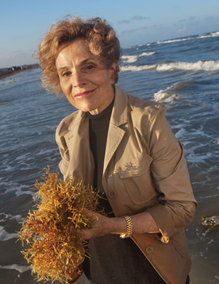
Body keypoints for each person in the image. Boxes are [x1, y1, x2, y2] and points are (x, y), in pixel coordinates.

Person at [37, 16, 197, 284]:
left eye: (87, 66)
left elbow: (182, 209)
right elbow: (71, 203)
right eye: (65, 73)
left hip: (152, 275)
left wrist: (114, 226)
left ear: (112, 69)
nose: (76, 81)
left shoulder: (148, 121)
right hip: (98, 274)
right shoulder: (65, 132)